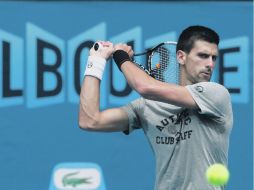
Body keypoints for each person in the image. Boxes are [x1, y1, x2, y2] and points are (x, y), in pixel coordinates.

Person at [79, 26, 233, 190]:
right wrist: (96, 61)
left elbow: (144, 87)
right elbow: (90, 120)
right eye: (203, 56)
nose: (210, 64)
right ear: (181, 57)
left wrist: (121, 56)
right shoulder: (147, 106)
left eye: (214, 58)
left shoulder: (216, 95)